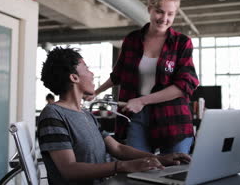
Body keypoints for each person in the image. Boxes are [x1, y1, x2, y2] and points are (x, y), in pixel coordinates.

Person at [38, 47, 191, 185]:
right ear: (74, 77)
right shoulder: (53, 115)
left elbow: (117, 148)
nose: (92, 73)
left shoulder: (86, 114)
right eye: (87, 68)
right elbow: (69, 170)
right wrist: (122, 166)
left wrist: (159, 158)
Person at [86, 0, 199, 154]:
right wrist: (95, 92)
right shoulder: (132, 40)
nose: (164, 18)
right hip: (136, 116)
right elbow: (118, 74)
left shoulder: (182, 42)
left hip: (172, 117)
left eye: (170, 14)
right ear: (149, 9)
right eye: (159, 12)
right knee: (137, 167)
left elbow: (185, 85)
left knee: (175, 171)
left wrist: (142, 101)